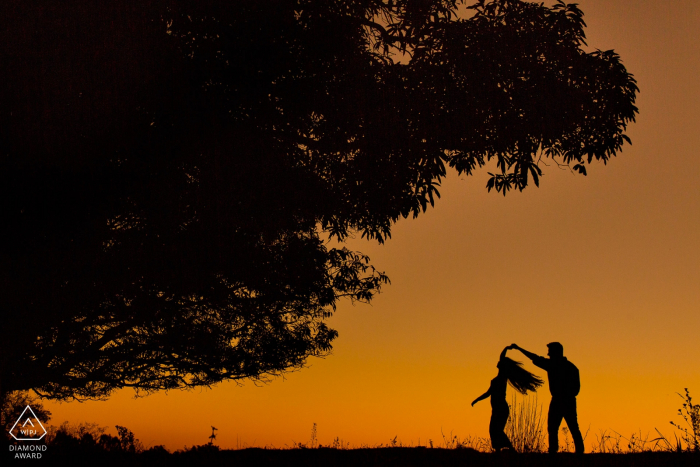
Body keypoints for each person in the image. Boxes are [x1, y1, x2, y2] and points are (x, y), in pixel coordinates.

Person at [510, 342, 584, 454]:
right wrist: (519, 349)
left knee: (562, 427)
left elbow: (535, 358)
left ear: (556, 352)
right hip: (564, 400)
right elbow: (576, 389)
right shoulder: (571, 367)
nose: (548, 353)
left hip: (562, 400)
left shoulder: (554, 365)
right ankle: (571, 451)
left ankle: (558, 451)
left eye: (550, 351)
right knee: (561, 427)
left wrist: (519, 348)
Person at [471, 345, 544, 451]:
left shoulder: (501, 378)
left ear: (502, 366)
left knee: (496, 430)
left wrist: (476, 400)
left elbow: (488, 393)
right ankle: (499, 450)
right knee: (494, 430)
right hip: (497, 408)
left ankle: (510, 449)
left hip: (500, 408)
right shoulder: (500, 377)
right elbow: (501, 357)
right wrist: (506, 348)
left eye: (500, 362)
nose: (498, 362)